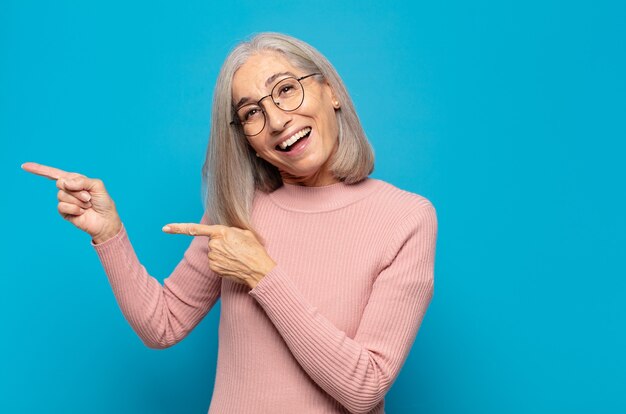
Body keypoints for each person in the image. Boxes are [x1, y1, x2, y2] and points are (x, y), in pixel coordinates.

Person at [22, 32, 437, 414]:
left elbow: (364, 388)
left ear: (330, 91)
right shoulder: (238, 209)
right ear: (246, 140)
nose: (276, 121)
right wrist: (108, 233)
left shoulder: (405, 218)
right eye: (252, 113)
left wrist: (261, 274)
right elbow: (163, 325)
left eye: (286, 90)